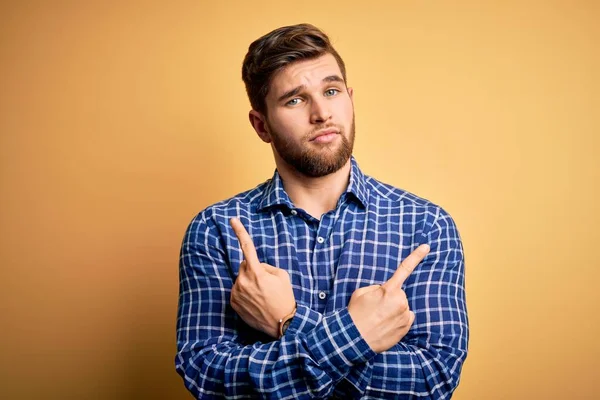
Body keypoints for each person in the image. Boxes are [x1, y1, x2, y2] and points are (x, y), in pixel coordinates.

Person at [175, 23, 469, 399]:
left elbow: (434, 380)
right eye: (295, 100)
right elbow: (207, 377)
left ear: (349, 98)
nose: (321, 113)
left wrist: (289, 322)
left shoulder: (426, 226)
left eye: (331, 92)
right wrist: (359, 335)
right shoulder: (216, 230)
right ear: (261, 125)